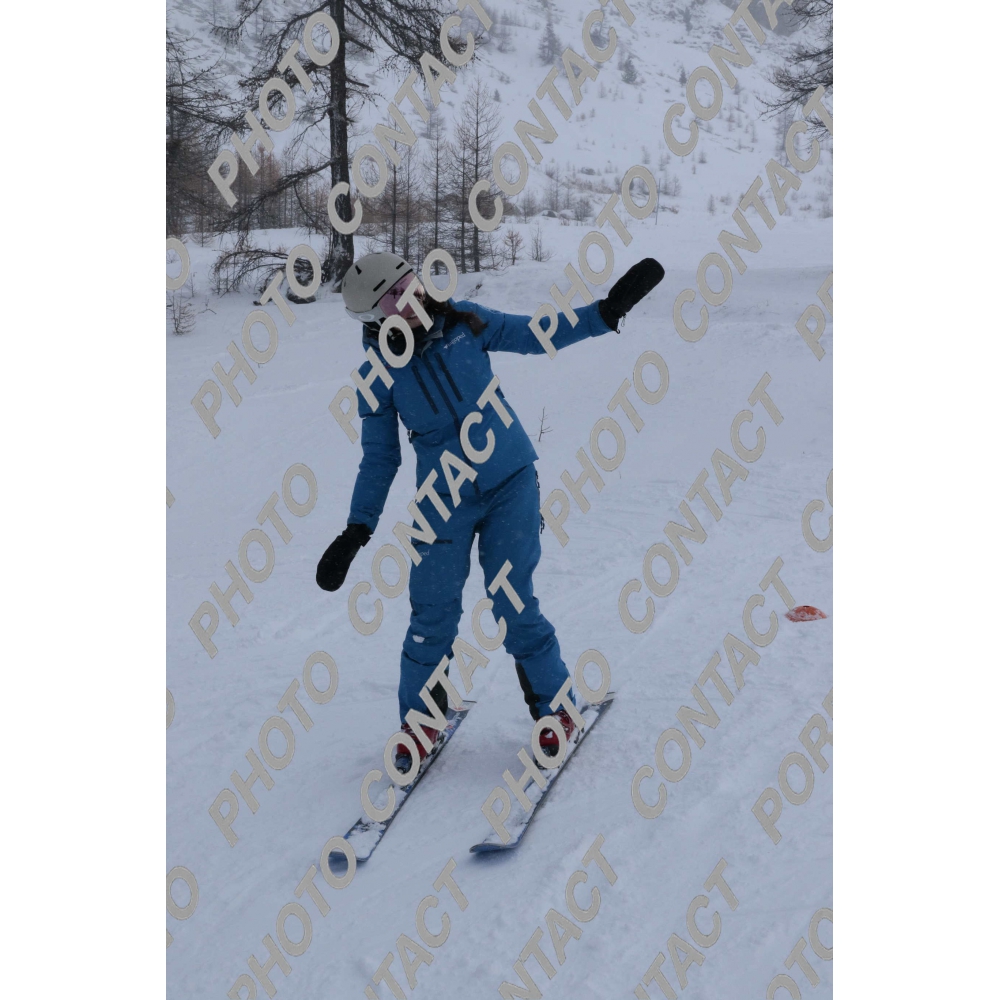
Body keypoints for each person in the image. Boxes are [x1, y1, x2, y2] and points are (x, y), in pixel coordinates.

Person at [316, 251, 664, 772]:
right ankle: (421, 723)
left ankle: (556, 710)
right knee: (431, 615)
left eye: (409, 283)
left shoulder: (465, 321)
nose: (409, 298)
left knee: (513, 602)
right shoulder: (376, 375)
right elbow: (380, 458)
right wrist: (356, 529)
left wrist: (604, 312)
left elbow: (537, 334)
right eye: (393, 297)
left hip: (509, 482)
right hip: (442, 502)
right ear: (372, 317)